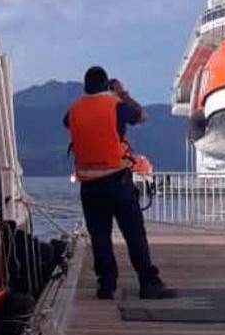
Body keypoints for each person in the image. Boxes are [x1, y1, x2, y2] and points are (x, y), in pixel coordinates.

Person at [65, 66, 175, 301]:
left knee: (100, 237)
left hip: (89, 185)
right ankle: (148, 283)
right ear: (107, 85)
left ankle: (106, 286)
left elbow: (69, 123)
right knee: (134, 233)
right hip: (117, 180)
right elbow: (142, 116)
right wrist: (122, 93)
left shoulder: (74, 109)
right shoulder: (115, 105)